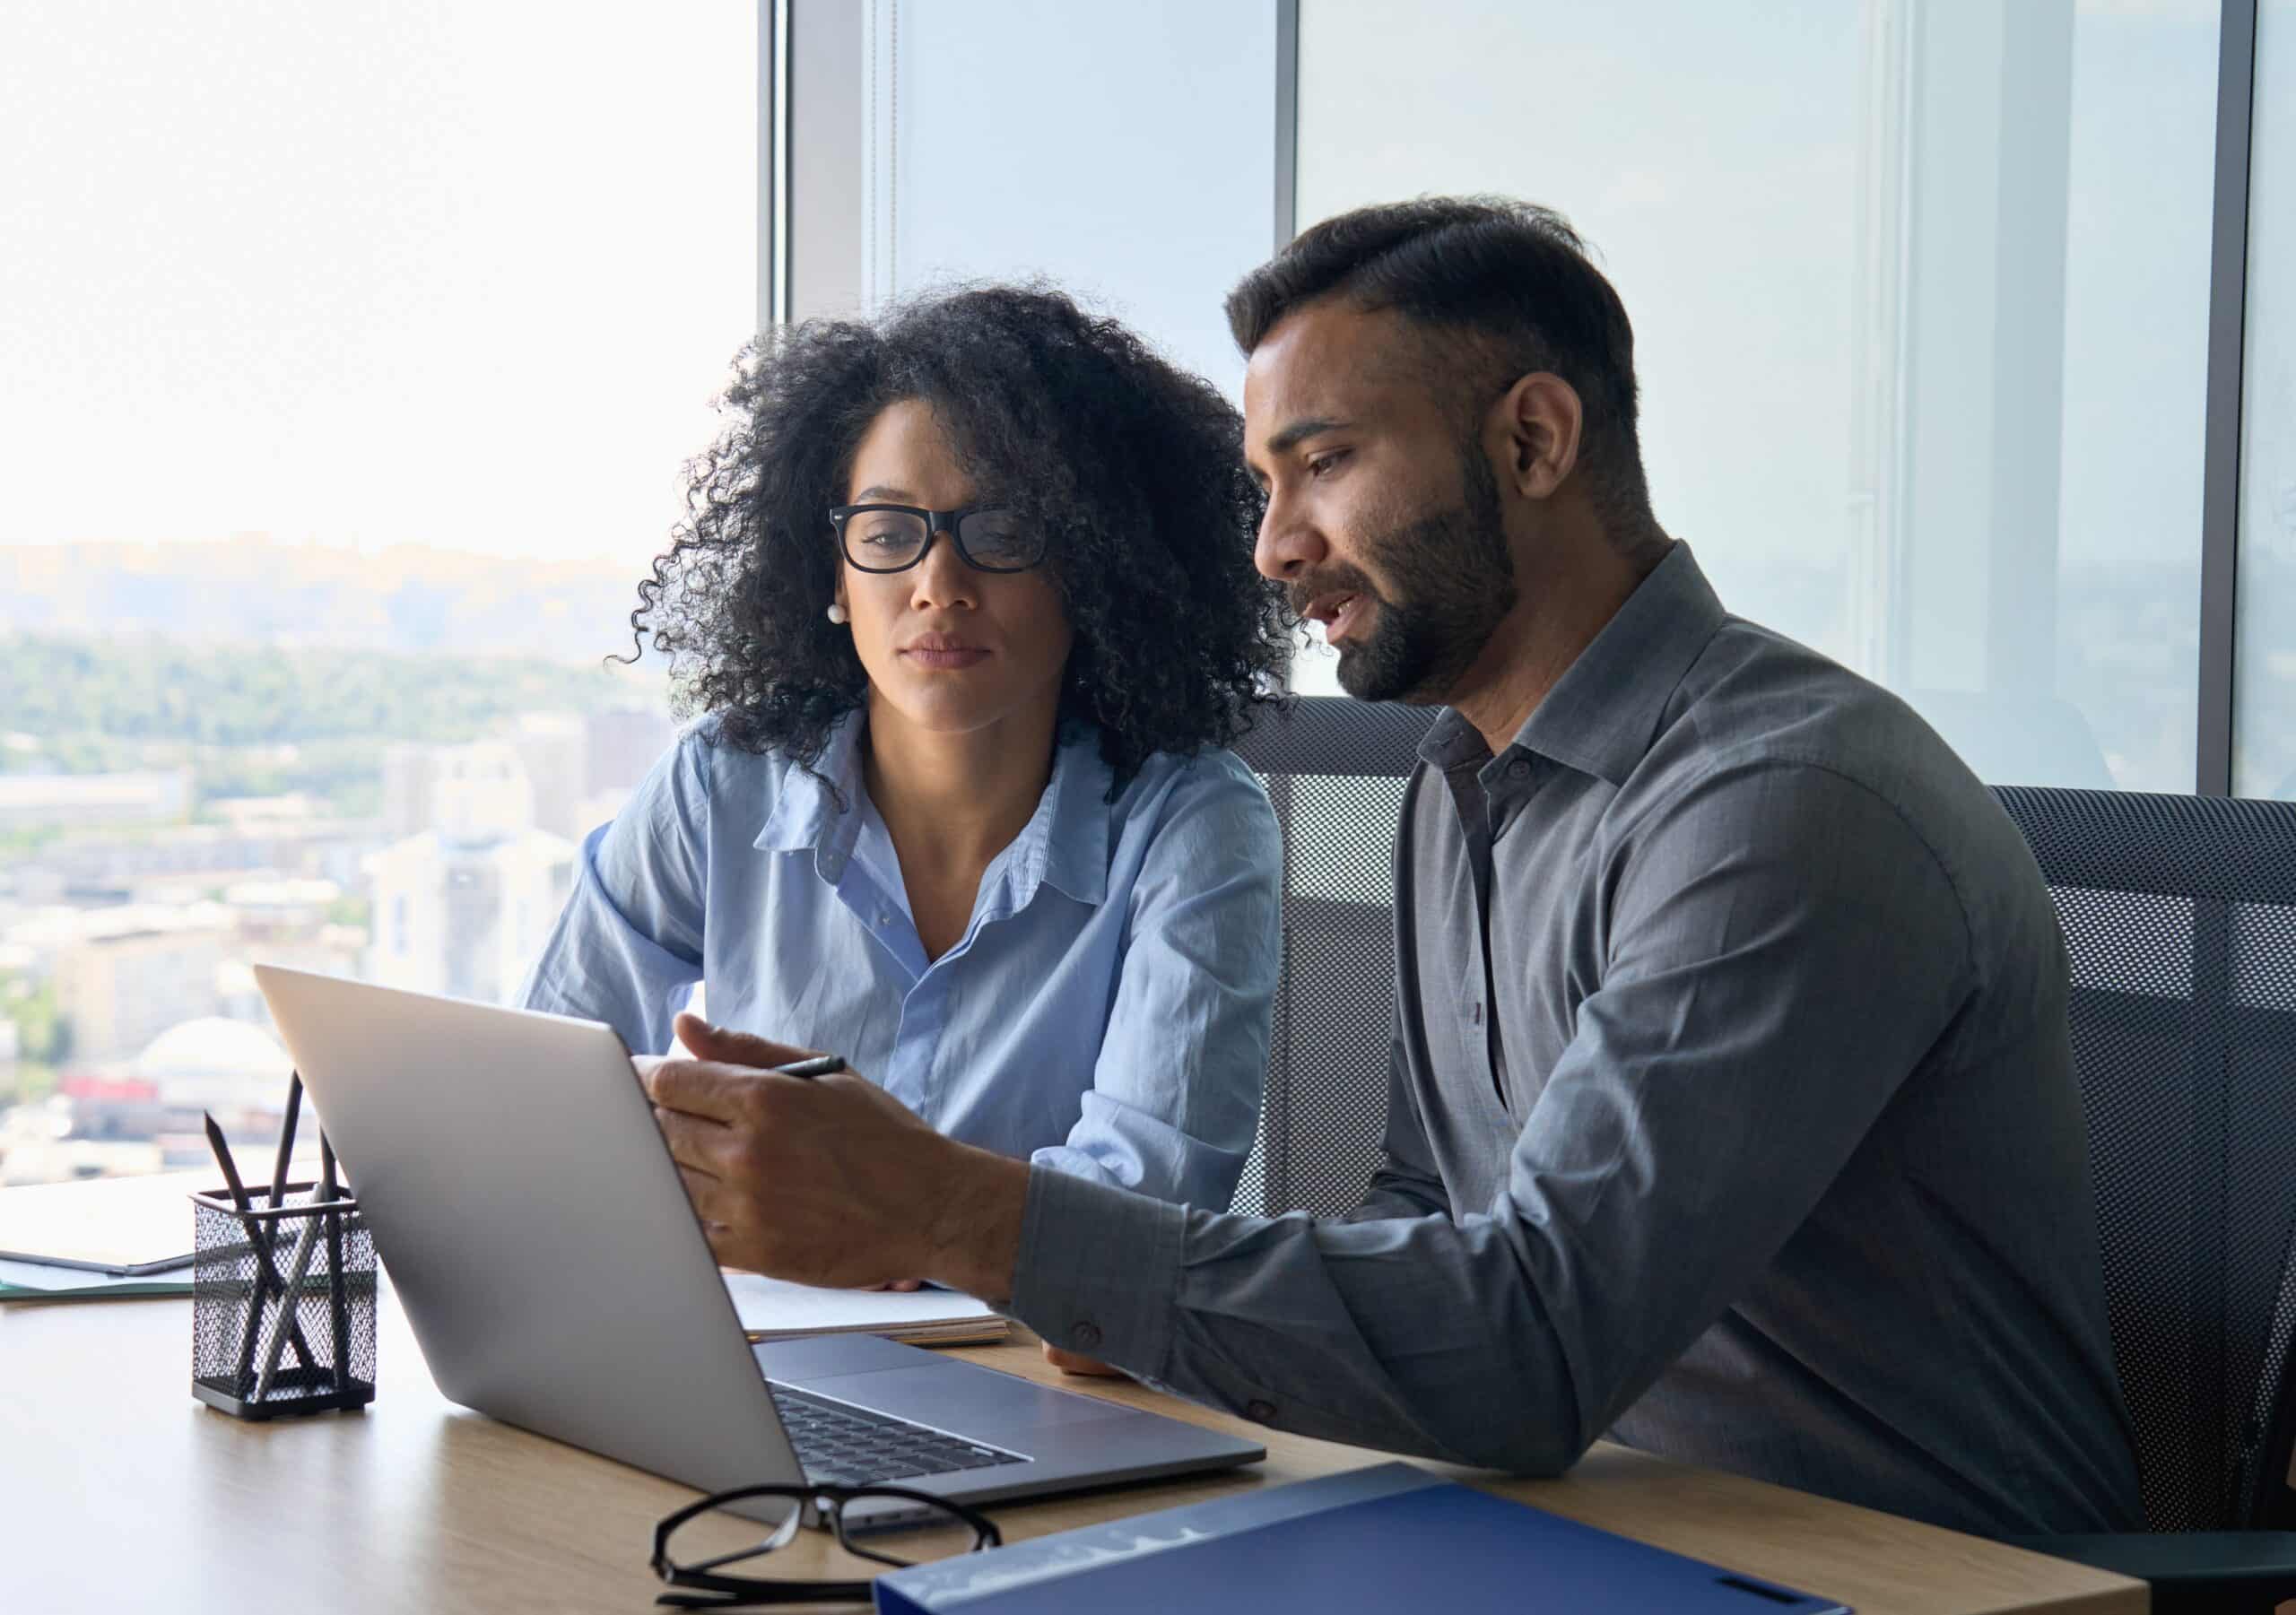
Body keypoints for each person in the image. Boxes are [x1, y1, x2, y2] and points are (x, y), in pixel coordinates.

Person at [639, 200, 2145, 1538]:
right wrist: (1128, 1290)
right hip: (1564, 1523)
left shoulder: (1780, 807)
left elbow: (1533, 1344)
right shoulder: (1459, 779)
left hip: (1889, 1568)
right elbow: (1426, 1209)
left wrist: (967, 1216)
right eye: (1265, 482)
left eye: (1327, 464)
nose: (1275, 547)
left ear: (1534, 442)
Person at [524, 285, 1291, 1247]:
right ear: (832, 577)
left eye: (1002, 532)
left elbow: (1140, 1219)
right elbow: (551, 1088)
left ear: (1094, 569)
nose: (938, 587)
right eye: (888, 534)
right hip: (756, 1338)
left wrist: (896, 1224)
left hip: (1032, 1374)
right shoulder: (722, 783)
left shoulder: (1192, 822)